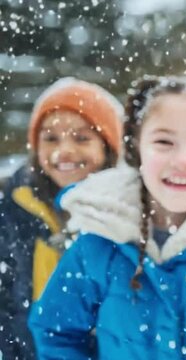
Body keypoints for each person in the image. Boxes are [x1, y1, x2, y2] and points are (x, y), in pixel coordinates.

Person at [28, 75, 186, 359]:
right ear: (137, 146)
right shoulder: (100, 240)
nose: (184, 160)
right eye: (164, 142)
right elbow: (57, 332)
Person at [0, 77, 123, 360]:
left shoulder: (125, 216)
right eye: (51, 138)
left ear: (108, 147)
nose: (64, 151)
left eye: (82, 138)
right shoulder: (13, 211)